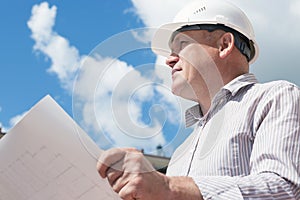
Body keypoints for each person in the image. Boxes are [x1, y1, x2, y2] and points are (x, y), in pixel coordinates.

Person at [97, 0, 300, 199]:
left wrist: (170, 188)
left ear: (224, 45)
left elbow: (285, 189)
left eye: (182, 44)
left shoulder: (275, 97)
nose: (169, 60)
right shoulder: (179, 154)